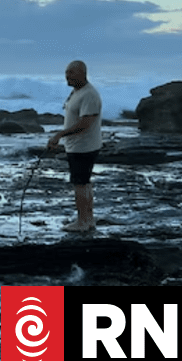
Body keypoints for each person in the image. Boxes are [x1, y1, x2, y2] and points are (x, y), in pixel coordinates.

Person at [46, 60, 103, 232]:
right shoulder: (76, 92)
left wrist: (59, 135)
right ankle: (88, 219)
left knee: (80, 184)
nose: (67, 77)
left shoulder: (89, 95)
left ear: (82, 73)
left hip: (84, 147)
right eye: (66, 73)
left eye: (71, 73)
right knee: (84, 183)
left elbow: (85, 123)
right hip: (77, 146)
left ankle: (82, 222)